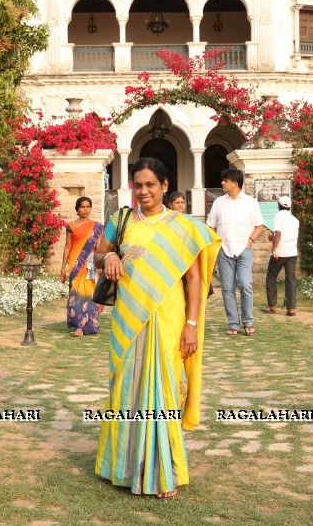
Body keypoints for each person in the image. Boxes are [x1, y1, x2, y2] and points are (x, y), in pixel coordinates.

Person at [93, 157, 221, 499]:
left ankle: (163, 470)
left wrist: (191, 324)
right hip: (127, 318)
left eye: (151, 184)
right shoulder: (120, 220)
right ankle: (121, 467)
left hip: (169, 318)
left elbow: (194, 280)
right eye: (138, 185)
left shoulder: (184, 226)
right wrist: (109, 257)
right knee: (125, 387)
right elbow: (96, 254)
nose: (144, 191)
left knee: (162, 388)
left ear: (165, 186)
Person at [206, 168, 264, 336]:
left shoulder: (250, 202)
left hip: (243, 250)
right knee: (227, 289)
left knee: (245, 285)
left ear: (235, 183)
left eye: (226, 180)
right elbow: (211, 225)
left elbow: (259, 225)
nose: (222, 183)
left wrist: (250, 241)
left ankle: (248, 322)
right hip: (224, 250)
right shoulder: (219, 202)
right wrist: (216, 243)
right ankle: (233, 324)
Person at [61, 196, 101, 336]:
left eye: (88, 206)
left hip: (90, 264)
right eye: (82, 207)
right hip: (75, 264)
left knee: (88, 293)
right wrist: (63, 268)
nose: (85, 209)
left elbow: (99, 248)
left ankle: (82, 327)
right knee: (75, 292)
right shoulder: (70, 226)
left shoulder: (96, 227)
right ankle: (78, 324)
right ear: (77, 209)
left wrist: (100, 267)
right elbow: (67, 247)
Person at [264, 195, 300, 316]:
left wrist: (273, 249)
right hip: (292, 252)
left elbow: (278, 234)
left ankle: (272, 306)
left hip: (280, 251)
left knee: (271, 276)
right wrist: (272, 237)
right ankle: (291, 309)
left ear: (278, 205)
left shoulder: (278, 216)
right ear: (289, 207)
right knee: (290, 280)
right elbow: (286, 235)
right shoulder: (295, 220)